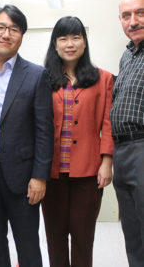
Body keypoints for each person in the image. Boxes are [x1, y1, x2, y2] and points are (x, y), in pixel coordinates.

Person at [0, 4, 54, 267]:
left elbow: (44, 130)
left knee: (28, 244)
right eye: (0, 27)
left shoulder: (36, 75)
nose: (6, 34)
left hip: (23, 176)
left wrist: (39, 176)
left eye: (14, 29)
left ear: (21, 36)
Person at [41, 16, 114, 267]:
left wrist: (106, 162)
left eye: (76, 37)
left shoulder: (103, 79)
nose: (69, 43)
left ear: (84, 42)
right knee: (55, 238)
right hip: (51, 174)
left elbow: (108, 122)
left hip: (89, 172)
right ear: (55, 44)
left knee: (84, 238)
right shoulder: (43, 79)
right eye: (63, 38)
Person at [110, 0, 144, 267]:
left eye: (140, 12)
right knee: (132, 233)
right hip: (122, 151)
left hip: (142, 147)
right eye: (126, 15)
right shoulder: (128, 55)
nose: (133, 21)